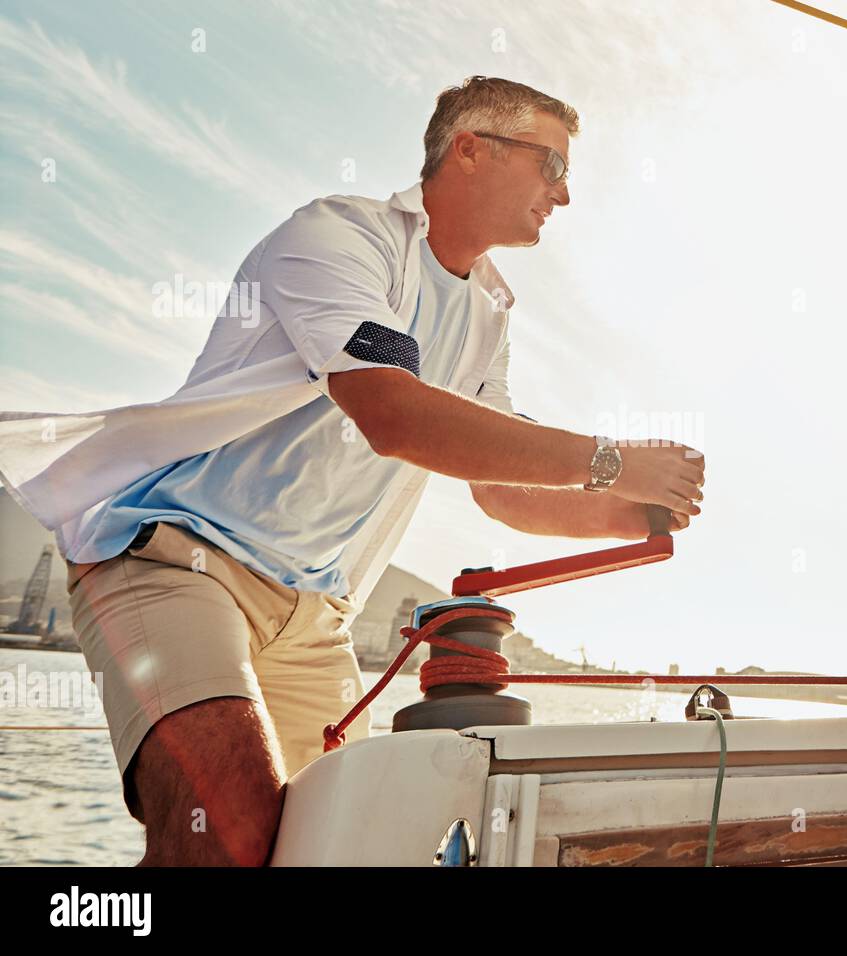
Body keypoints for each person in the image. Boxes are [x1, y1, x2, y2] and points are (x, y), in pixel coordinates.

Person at [0, 75, 705, 865]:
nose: (565, 195)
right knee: (226, 829)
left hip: (313, 615)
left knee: (341, 846)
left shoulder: (489, 314)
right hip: (176, 560)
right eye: (551, 166)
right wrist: (613, 462)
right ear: (470, 148)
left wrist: (638, 509)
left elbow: (500, 484)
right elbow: (394, 413)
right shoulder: (343, 237)